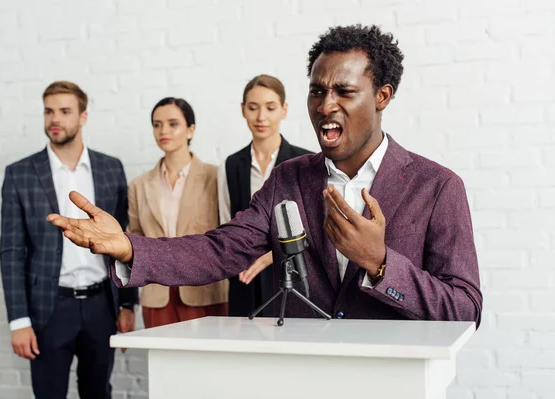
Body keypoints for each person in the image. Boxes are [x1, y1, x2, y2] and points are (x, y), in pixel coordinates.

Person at [47, 25, 483, 326]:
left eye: (344, 92)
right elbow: (221, 250)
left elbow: (464, 308)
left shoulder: (437, 186)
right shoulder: (289, 178)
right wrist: (129, 247)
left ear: (383, 96)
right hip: (302, 373)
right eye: (317, 90)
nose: (325, 104)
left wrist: (380, 264)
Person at [0, 81, 138, 399]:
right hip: (49, 309)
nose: (54, 119)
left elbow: (127, 240)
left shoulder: (110, 168)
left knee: (98, 392)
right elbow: (11, 251)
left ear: (83, 116)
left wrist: (128, 303)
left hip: (102, 306)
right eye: (48, 111)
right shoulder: (19, 173)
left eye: (65, 111)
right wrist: (18, 321)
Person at [128, 97, 228, 329]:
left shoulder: (215, 177)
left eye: (173, 124)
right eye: (157, 124)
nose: (164, 131)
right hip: (157, 295)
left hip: (205, 289)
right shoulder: (138, 186)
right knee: (162, 363)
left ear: (190, 129)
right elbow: (133, 240)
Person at [218, 75, 312, 317]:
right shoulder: (231, 165)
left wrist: (273, 255)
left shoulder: (305, 163)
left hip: (294, 280)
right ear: (243, 110)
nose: (261, 117)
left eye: (270, 108)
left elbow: (316, 233)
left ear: (284, 110)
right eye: (253, 108)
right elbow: (227, 225)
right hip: (244, 280)